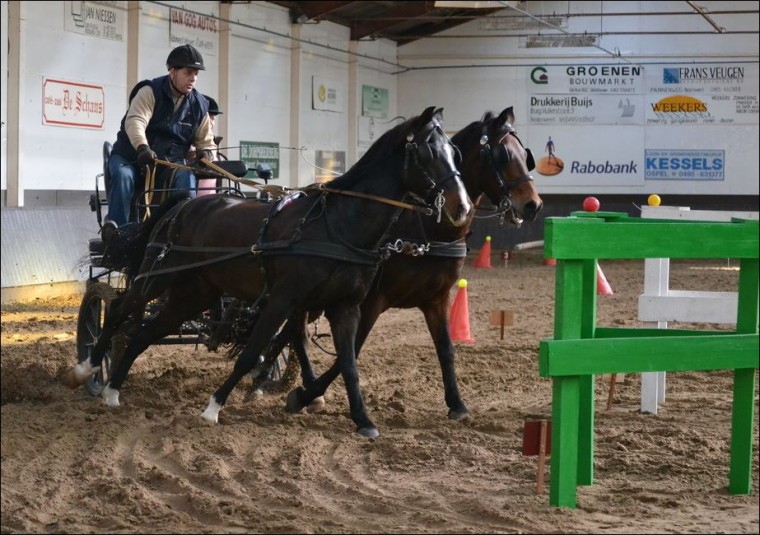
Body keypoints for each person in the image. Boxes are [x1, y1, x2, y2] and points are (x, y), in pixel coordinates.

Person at [103, 44, 216, 235]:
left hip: (171, 164)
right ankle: (117, 234)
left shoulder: (199, 105)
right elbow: (135, 121)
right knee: (124, 177)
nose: (193, 78)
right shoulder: (149, 91)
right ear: (172, 71)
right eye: (188, 72)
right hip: (131, 158)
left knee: (187, 181)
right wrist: (142, 147)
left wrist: (206, 154)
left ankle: (183, 234)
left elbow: (206, 141)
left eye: (196, 74)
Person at [196, 95, 224, 196]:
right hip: (191, 202)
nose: (211, 123)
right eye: (209, 118)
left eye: (213, 118)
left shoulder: (215, 144)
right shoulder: (191, 143)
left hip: (212, 200)